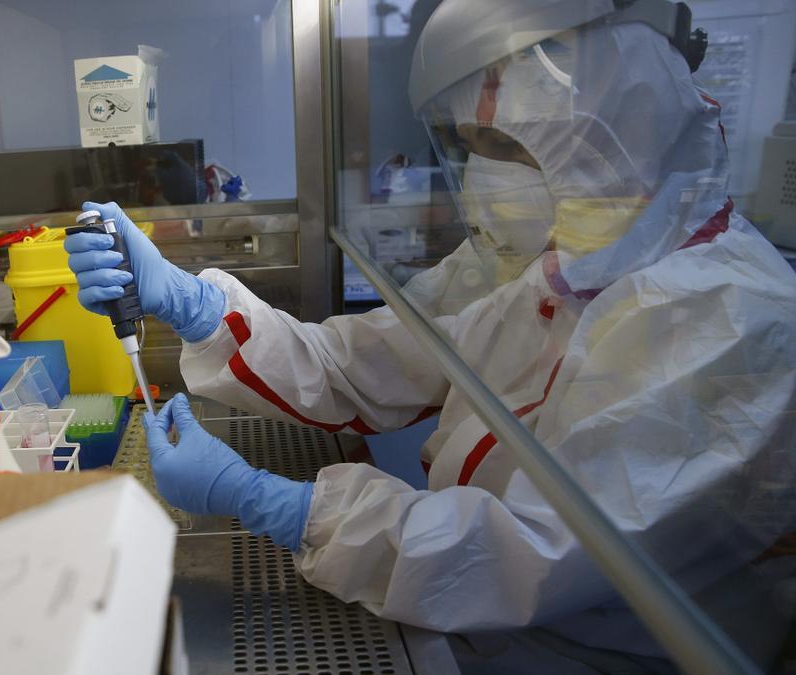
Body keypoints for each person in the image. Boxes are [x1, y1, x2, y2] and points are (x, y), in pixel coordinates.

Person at [65, 0, 796, 671]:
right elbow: (361, 368)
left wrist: (276, 503)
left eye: (504, 144)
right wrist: (193, 302)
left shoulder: (732, 323)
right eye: (469, 143)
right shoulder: (547, 267)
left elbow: (529, 553)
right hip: (465, 622)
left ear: (607, 132)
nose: (483, 173)